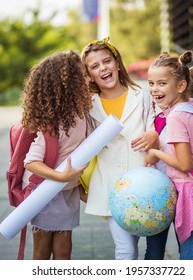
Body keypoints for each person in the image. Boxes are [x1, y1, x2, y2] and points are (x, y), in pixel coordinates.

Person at [80, 37, 161, 260]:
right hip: (110, 186)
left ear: (117, 63)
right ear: (89, 75)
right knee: (126, 250)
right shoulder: (87, 106)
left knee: (141, 246)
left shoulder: (142, 95)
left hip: (144, 184)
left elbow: (158, 126)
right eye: (95, 66)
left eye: (107, 61)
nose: (103, 68)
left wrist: (154, 135)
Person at [145, 50, 193, 260]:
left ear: (181, 86)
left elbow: (184, 164)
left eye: (161, 83)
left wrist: (155, 152)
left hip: (189, 195)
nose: (154, 89)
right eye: (151, 83)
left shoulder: (176, 117)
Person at [21, 50, 92, 260]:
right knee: (42, 251)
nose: (88, 78)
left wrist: (76, 185)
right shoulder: (53, 124)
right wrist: (62, 177)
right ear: (67, 84)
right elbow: (31, 162)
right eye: (83, 76)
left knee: (64, 250)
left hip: (66, 190)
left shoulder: (80, 113)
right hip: (45, 191)